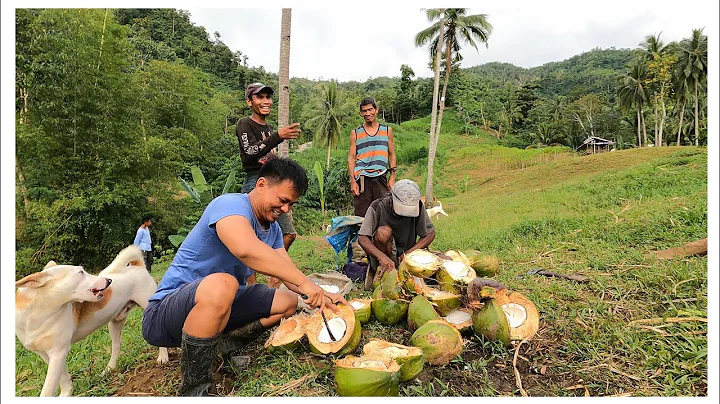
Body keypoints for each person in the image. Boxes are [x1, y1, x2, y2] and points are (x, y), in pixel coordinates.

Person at [141, 158, 347, 396]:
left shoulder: (274, 230)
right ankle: (194, 390)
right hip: (164, 314)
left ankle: (223, 346)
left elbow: (286, 269)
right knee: (223, 282)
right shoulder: (230, 206)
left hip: (223, 304)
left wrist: (321, 294)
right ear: (261, 184)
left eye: (292, 204)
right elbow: (245, 249)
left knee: (288, 301)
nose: (286, 210)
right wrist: (305, 284)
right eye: (282, 200)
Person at [236, 82, 301, 287]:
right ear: (249, 102)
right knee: (249, 241)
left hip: (271, 184)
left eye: (268, 97)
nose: (266, 101)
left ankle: (273, 284)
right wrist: (278, 137)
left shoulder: (267, 128)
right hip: (256, 184)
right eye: (260, 97)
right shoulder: (245, 124)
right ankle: (252, 290)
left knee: (288, 234)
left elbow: (266, 154)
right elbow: (249, 154)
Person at [357, 179, 435, 290]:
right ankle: (383, 272)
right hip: (385, 256)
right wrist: (382, 257)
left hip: (406, 258)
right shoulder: (377, 205)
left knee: (445, 259)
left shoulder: (418, 206)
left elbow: (430, 233)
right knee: (383, 232)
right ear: (392, 199)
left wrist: (409, 253)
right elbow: (362, 238)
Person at [348, 97, 397, 218]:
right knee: (361, 218)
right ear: (361, 113)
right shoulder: (355, 133)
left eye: (370, 109)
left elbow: (391, 154)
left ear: (376, 110)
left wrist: (392, 177)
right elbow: (351, 158)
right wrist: (353, 182)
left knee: (384, 214)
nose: (367, 113)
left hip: (381, 177)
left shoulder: (387, 130)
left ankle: (381, 237)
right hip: (362, 180)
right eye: (364, 111)